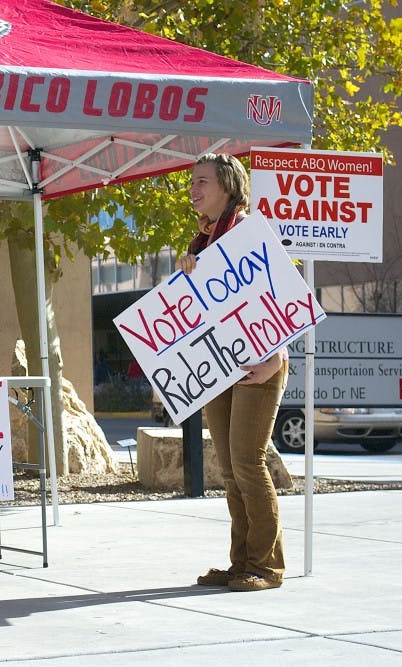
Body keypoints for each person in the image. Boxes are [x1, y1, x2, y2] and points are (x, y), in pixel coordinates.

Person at [176, 153, 289, 592]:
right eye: (191, 182)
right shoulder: (200, 242)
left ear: (227, 185)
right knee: (229, 470)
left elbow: (277, 290)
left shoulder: (247, 231)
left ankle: (267, 565)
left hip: (260, 362)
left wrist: (275, 355)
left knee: (248, 462)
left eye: (201, 181)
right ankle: (241, 563)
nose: (193, 189)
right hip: (219, 365)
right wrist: (188, 273)